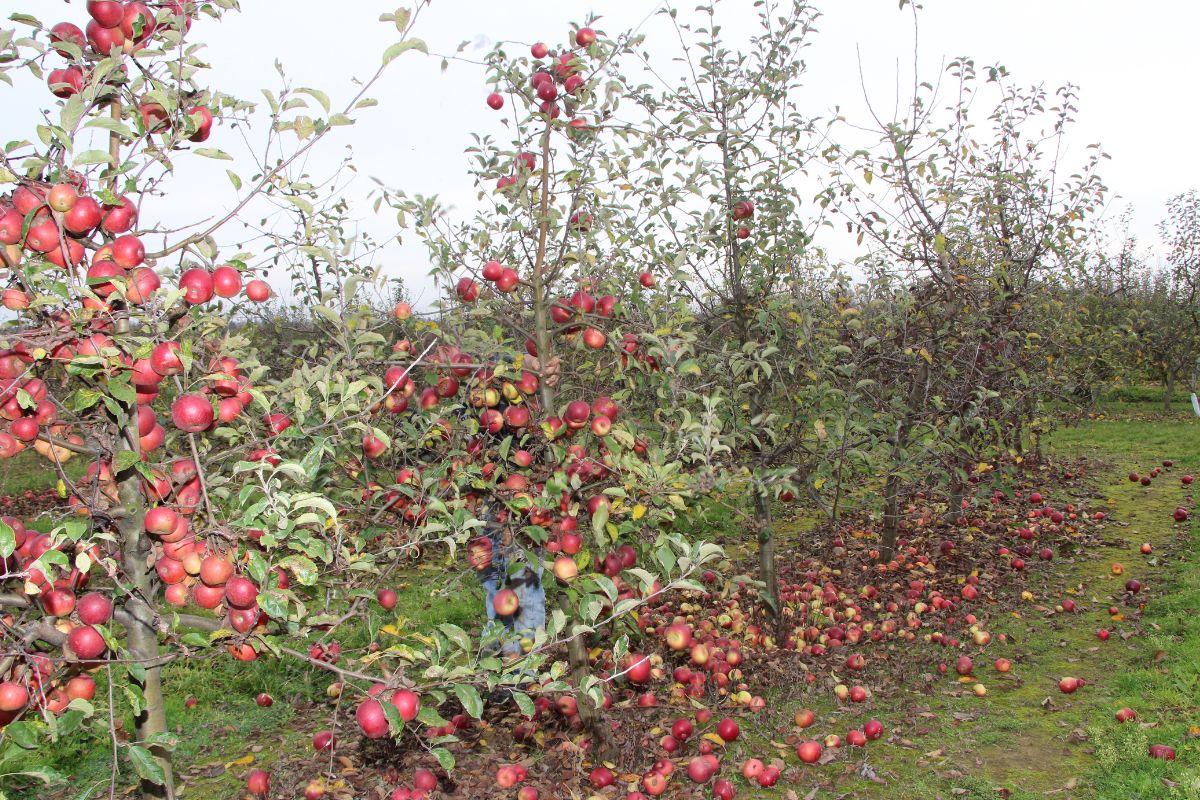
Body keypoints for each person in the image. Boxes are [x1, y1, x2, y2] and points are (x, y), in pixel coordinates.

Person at [467, 353, 560, 657]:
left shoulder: (516, 390)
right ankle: (508, 663)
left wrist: (532, 376)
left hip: (512, 498)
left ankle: (507, 664)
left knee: (512, 585)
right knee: (508, 585)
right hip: (499, 498)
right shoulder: (485, 381)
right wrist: (522, 367)